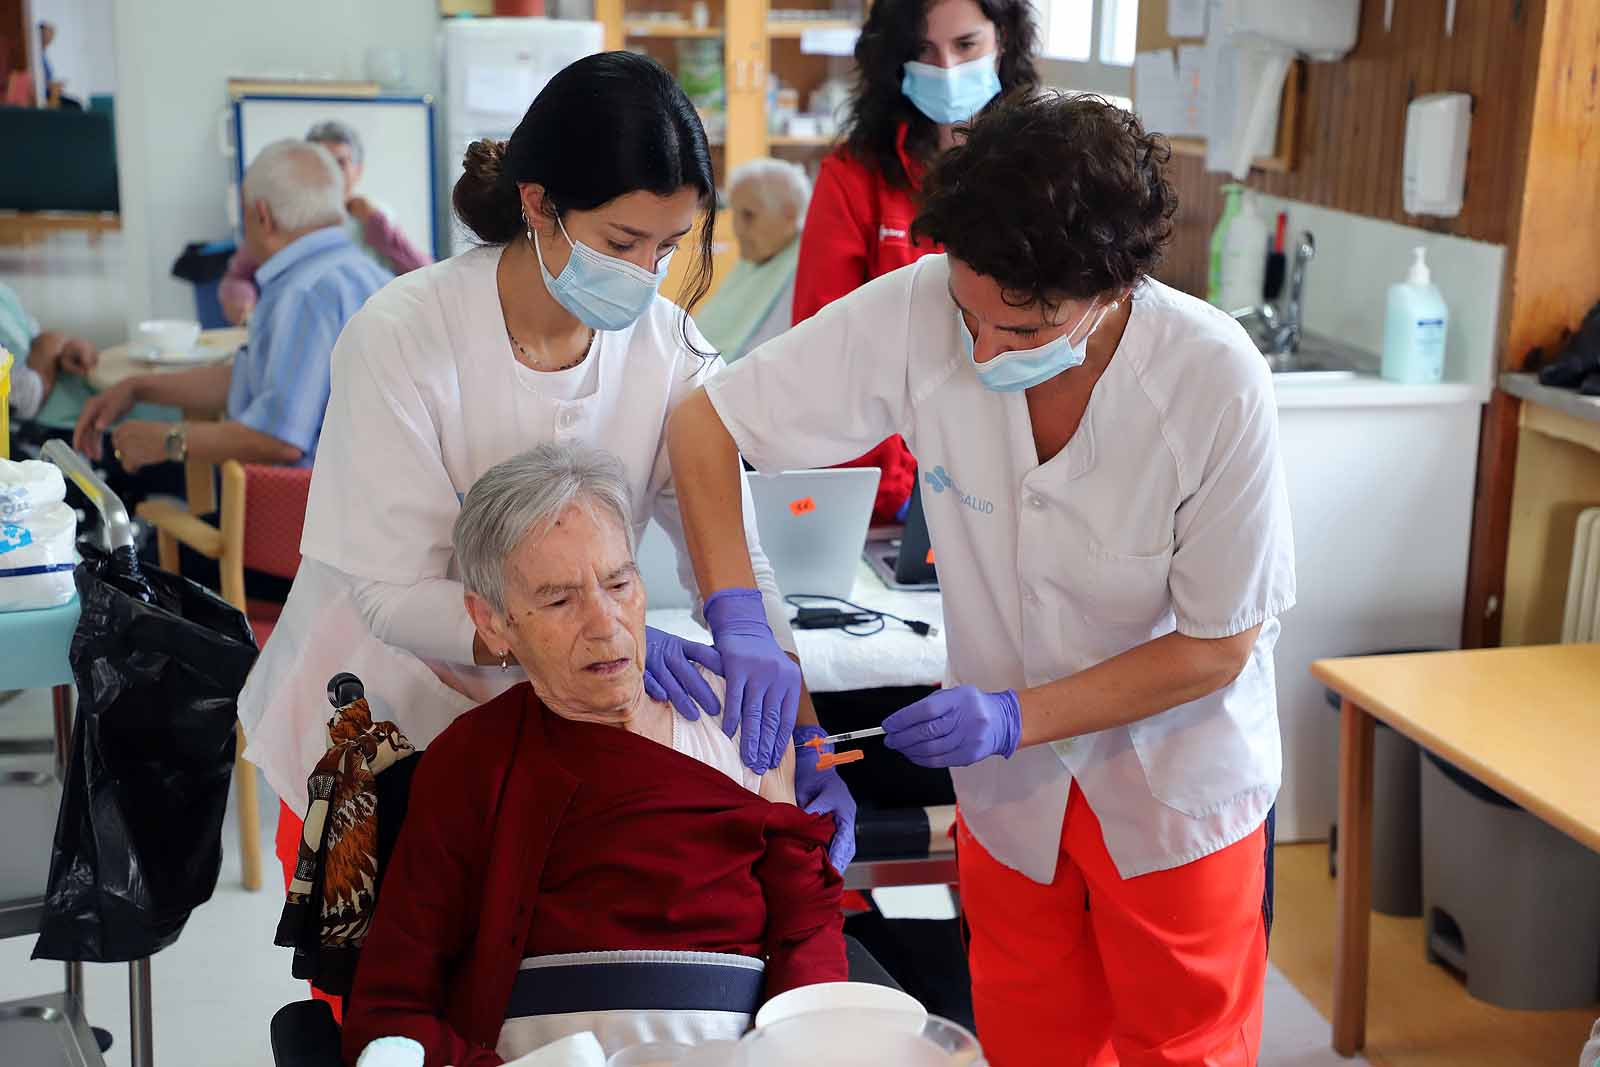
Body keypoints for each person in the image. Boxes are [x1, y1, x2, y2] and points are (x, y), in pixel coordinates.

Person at [668, 94, 1296, 1067]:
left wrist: (1015, 713)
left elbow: (1217, 642)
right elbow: (706, 426)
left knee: (1184, 1049)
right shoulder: (919, 309)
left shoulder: (1212, 380)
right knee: (1030, 1042)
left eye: (1024, 325)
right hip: (1012, 800)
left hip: (1174, 783)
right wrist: (737, 617)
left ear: (1112, 285)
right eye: (971, 315)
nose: (985, 351)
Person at [236, 52, 858, 910]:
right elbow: (386, 595)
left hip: (531, 736)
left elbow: (738, 560)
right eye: (621, 243)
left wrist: (806, 734)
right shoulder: (404, 336)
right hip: (370, 716)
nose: (645, 276)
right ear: (538, 203)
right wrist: (578, 633)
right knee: (386, 989)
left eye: (669, 248)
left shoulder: (671, 354)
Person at [341, 444, 845, 1064]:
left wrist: (801, 1049)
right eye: (558, 599)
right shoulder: (474, 763)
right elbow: (390, 1009)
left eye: (618, 582)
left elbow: (808, 935)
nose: (606, 625)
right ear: (494, 622)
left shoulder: (738, 722)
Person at [71, 139, 390, 593]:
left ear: (261, 215)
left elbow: (278, 439)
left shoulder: (305, 293)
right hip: (365, 531)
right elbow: (253, 380)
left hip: (313, 547)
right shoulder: (356, 272)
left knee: (132, 562)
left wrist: (167, 440)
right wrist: (140, 388)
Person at [794, 0, 1040, 525]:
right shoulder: (854, 177)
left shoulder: (1043, 169)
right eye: (924, 51)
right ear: (897, 60)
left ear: (1005, 42)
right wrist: (879, 487)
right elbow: (822, 349)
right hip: (884, 484)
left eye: (966, 46)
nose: (947, 70)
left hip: (1016, 472)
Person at [218, 120, 432, 325]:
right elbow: (238, 275)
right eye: (323, 162)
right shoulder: (284, 215)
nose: (332, 173)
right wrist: (241, 298)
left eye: (341, 162)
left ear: (358, 170)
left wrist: (382, 230)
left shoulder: (377, 217)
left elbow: (427, 276)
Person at [694, 158, 810, 363]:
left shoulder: (805, 271)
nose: (737, 229)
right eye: (735, 214)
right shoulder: (756, 260)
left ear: (790, 214)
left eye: (748, 215)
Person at [2, 281, 101, 429]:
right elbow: (28, 395)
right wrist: (52, 344)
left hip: (80, 395)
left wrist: (65, 346)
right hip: (48, 429)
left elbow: (37, 335)